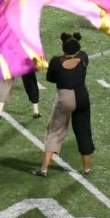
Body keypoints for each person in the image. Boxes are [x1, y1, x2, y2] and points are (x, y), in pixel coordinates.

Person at [34, 33, 94, 177]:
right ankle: (86, 168)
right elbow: (79, 53)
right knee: (83, 131)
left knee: (55, 130)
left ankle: (44, 169)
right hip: (82, 97)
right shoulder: (83, 58)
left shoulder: (56, 61)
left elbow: (50, 78)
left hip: (64, 99)